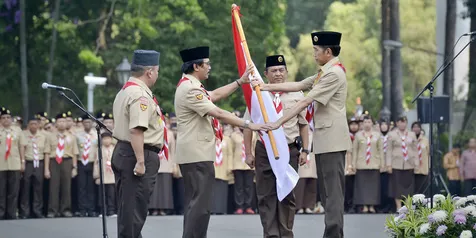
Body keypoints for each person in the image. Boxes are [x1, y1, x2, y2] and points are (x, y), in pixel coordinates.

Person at [257, 31, 351, 238]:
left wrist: (278, 122)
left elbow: (304, 101)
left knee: (333, 195)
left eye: (316, 51)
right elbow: (299, 85)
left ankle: (334, 235)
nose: (313, 54)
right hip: (327, 140)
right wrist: (264, 86)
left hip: (333, 141)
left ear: (328, 51)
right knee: (327, 195)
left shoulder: (333, 74)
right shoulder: (324, 71)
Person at [174, 46, 263, 238]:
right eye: (207, 64)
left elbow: (213, 96)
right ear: (196, 66)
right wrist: (249, 124)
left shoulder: (191, 86)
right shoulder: (191, 90)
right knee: (200, 206)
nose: (209, 67)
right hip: (196, 154)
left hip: (194, 153)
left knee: (197, 204)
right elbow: (218, 112)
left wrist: (240, 82)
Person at [244, 54, 309, 237]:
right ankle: (271, 234)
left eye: (282, 70)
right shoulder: (258, 94)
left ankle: (286, 233)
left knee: (287, 194)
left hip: (290, 150)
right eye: (274, 71)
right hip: (265, 150)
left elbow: (303, 124)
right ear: (265, 74)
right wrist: (248, 153)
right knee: (266, 195)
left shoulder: (297, 93)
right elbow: (247, 126)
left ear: (287, 72)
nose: (278, 74)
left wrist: (305, 150)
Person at [112, 49, 164, 238]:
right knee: (134, 212)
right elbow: (136, 129)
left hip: (125, 152)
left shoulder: (125, 91)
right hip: (137, 154)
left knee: (129, 210)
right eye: (157, 71)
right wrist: (141, 161)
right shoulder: (140, 95)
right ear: (149, 72)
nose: (157, 75)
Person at [46, 112, 79, 218]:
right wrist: (46, 169)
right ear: (56, 123)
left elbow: (74, 153)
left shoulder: (71, 137)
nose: (62, 123)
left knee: (66, 187)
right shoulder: (50, 136)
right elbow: (47, 152)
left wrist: (74, 167)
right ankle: (52, 210)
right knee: (53, 187)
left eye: (64, 121)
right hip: (54, 161)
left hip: (67, 161)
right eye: (60, 121)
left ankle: (65, 209)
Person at [351, 115, 384, 213]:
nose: (367, 124)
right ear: (362, 123)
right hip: (361, 163)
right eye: (365, 122)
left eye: (369, 122)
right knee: (362, 186)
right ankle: (364, 205)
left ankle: (372, 205)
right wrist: (353, 164)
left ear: (372, 123)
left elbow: (381, 150)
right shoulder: (358, 135)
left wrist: (382, 164)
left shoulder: (377, 135)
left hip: (374, 163)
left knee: (373, 186)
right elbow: (355, 150)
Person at [19, 117, 50, 219]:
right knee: (25, 187)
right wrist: (22, 162)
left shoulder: (43, 136)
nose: (33, 126)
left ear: (38, 125)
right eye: (31, 124)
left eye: (35, 124)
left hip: (39, 163)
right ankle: (25, 211)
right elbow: (22, 149)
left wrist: (46, 168)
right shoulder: (24, 135)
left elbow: (46, 153)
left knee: (38, 188)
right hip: (28, 162)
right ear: (28, 125)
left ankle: (37, 210)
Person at [386, 115, 418, 211]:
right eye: (401, 122)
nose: (402, 124)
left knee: (408, 186)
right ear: (397, 123)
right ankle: (398, 206)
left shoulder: (411, 134)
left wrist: (416, 163)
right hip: (396, 163)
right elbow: (389, 150)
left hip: (409, 163)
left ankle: (408, 206)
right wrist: (388, 164)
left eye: (404, 122)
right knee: (397, 186)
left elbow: (415, 149)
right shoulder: (392, 134)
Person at [0, 107, 23, 219]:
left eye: (8, 117)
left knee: (13, 191)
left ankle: (12, 213)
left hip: (14, 163)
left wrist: (22, 162)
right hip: (1, 164)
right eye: (3, 118)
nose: (6, 120)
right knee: (1, 190)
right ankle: (1, 212)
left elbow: (21, 147)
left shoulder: (17, 131)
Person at [75, 114, 98, 217]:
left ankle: (91, 209)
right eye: (85, 123)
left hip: (92, 162)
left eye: (89, 122)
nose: (87, 124)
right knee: (82, 187)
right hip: (81, 162)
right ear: (82, 124)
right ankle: (82, 209)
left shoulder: (97, 135)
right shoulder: (78, 135)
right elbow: (75, 151)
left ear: (92, 123)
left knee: (91, 187)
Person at [230, 125, 255, 214]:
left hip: (249, 165)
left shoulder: (253, 134)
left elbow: (254, 148)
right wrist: (230, 165)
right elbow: (231, 150)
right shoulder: (234, 135)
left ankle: (248, 206)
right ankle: (239, 206)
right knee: (239, 187)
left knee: (249, 186)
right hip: (237, 164)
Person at [212, 122, 233, 215]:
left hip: (223, 166)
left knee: (222, 189)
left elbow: (230, 153)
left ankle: (221, 209)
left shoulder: (227, 139)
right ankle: (212, 209)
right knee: (212, 189)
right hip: (213, 166)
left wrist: (230, 166)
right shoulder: (211, 139)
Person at [93, 132, 116, 217]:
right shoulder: (99, 149)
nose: (106, 141)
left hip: (112, 176)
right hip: (102, 176)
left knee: (112, 195)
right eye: (104, 139)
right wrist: (97, 176)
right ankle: (102, 211)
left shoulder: (114, 148)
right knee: (102, 195)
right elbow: (96, 163)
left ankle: (111, 211)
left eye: (108, 138)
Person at [295, 132, 318, 214]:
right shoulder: (298, 130)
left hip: (312, 157)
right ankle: (298, 206)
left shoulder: (314, 131)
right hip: (300, 155)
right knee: (300, 183)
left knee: (312, 181)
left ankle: (309, 205)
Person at [377, 120, 393, 213]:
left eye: (385, 125)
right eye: (381, 124)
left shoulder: (391, 136)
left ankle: (390, 206)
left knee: (390, 187)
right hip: (379, 164)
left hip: (390, 164)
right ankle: (381, 206)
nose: (383, 126)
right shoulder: (377, 136)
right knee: (381, 186)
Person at [345, 117, 359, 214]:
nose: (354, 126)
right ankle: (348, 205)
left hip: (358, 163)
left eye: (355, 124)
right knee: (348, 186)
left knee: (357, 187)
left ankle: (356, 205)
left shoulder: (361, 136)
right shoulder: (346, 135)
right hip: (347, 162)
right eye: (352, 124)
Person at [411, 121, 430, 195]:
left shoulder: (425, 140)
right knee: (414, 189)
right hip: (413, 169)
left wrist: (429, 166)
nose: (416, 129)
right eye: (414, 127)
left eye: (417, 127)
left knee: (423, 189)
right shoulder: (409, 140)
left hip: (423, 168)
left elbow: (428, 153)